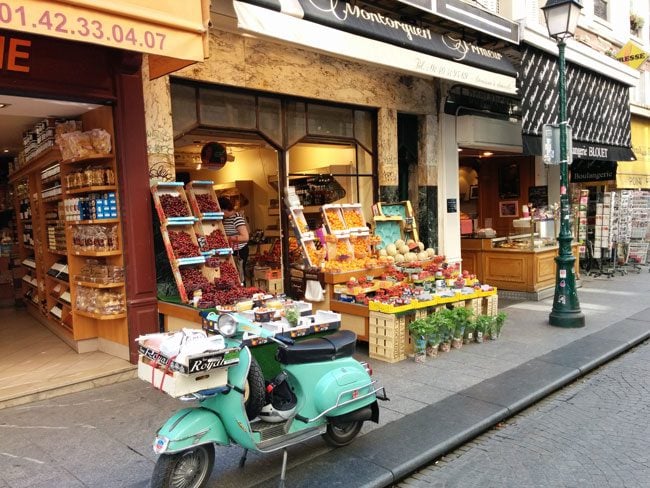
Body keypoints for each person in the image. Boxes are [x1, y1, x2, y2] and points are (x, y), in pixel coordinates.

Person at [218, 196, 249, 285]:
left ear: (224, 209)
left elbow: (245, 237)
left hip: (239, 251)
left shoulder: (237, 218)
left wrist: (229, 238)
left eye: (220, 211)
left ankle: (242, 291)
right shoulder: (225, 219)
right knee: (231, 275)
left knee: (239, 275)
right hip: (231, 251)